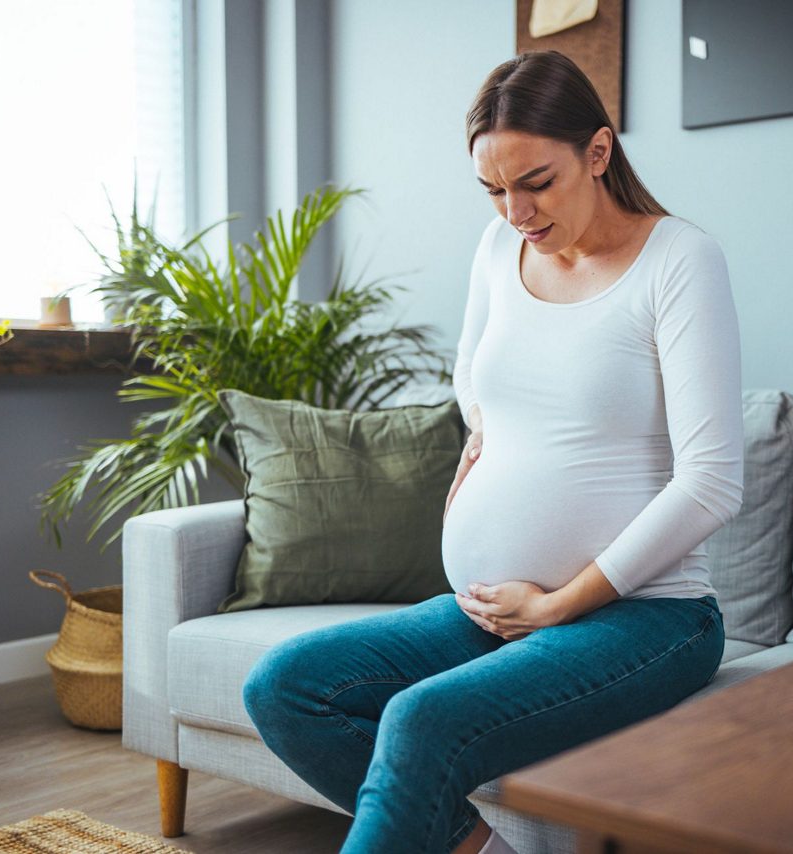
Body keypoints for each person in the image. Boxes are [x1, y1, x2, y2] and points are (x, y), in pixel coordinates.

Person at [243, 50, 744, 854]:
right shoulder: (496, 250)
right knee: (287, 687)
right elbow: (470, 374)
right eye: (494, 189)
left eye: (535, 182)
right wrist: (485, 441)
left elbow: (714, 483)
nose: (515, 210)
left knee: (419, 718)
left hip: (648, 618)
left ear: (598, 152)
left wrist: (558, 603)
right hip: (499, 613)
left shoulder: (679, 261)